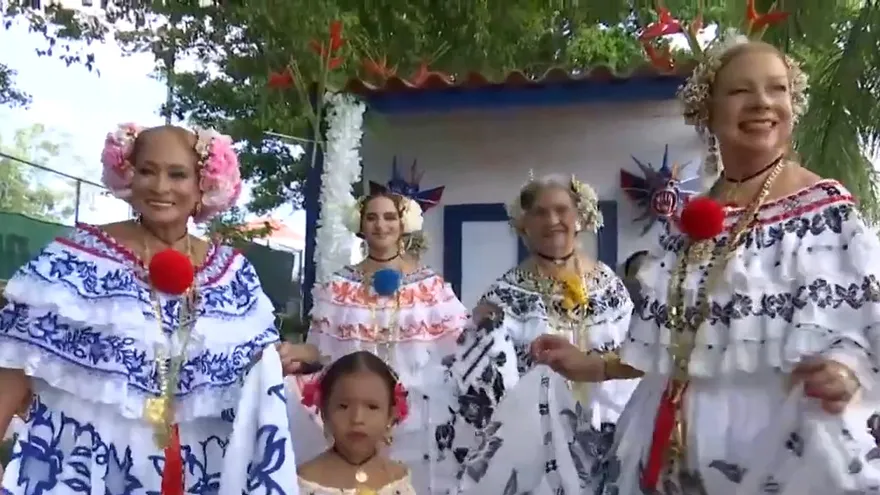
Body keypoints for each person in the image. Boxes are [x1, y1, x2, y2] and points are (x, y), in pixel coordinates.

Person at [533, 34, 880, 494]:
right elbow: (671, 346)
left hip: (778, 446)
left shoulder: (822, 211)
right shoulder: (687, 224)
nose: (762, 102)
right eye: (740, 91)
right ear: (707, 109)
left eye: (777, 89)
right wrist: (590, 366)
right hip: (669, 446)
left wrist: (845, 368)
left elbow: (862, 322)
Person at [0, 123, 318, 494]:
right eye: (147, 170)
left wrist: (303, 354)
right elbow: (13, 362)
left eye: (177, 174)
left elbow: (260, 369)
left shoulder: (234, 274)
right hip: (84, 469)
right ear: (127, 174)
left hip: (204, 472)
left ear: (205, 182)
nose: (160, 186)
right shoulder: (74, 258)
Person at [438, 174, 641, 493]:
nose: (553, 220)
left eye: (562, 210)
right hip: (537, 448)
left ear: (579, 217)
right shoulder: (504, 294)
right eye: (540, 213)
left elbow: (635, 353)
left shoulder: (609, 284)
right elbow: (487, 382)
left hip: (611, 436)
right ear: (525, 225)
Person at [290, 190, 467, 493]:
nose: (380, 225)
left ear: (403, 223)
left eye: (389, 217)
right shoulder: (339, 286)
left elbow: (461, 348)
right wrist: (287, 356)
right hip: (355, 415)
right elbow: (319, 351)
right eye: (371, 217)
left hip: (415, 421)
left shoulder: (430, 286)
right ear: (359, 224)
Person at [296, 351, 416, 495]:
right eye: (343, 406)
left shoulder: (399, 479)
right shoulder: (304, 482)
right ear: (324, 412)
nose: (357, 419)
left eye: (372, 407)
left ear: (390, 415)